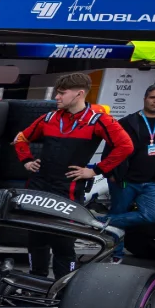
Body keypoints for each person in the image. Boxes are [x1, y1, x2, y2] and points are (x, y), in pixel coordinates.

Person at [12, 72, 134, 277]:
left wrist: (95, 170)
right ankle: (35, 282)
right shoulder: (49, 117)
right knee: (36, 238)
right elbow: (21, 138)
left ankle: (62, 288)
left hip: (68, 188)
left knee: (63, 241)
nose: (57, 97)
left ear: (79, 94)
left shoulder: (98, 120)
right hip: (40, 184)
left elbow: (126, 146)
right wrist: (27, 161)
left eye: (62, 93)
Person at [102, 83, 155, 261]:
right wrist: (110, 173)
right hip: (124, 180)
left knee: (153, 215)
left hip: (152, 181)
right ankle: (116, 255)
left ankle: (100, 221)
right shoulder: (128, 122)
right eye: (153, 97)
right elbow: (111, 148)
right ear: (145, 98)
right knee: (119, 215)